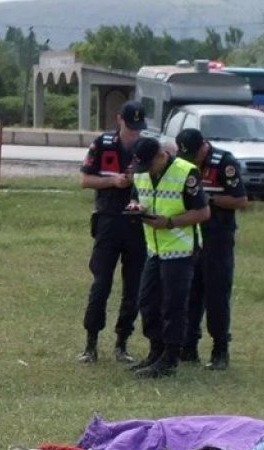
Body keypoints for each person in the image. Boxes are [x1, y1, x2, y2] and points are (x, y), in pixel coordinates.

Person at [125, 137, 211, 378]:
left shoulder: (186, 172)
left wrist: (170, 223)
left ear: (161, 156)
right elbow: (136, 195)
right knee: (147, 301)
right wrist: (134, 207)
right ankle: (156, 351)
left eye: (149, 165)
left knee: (173, 305)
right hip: (154, 248)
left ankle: (170, 358)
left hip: (181, 250)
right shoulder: (142, 171)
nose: (145, 171)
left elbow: (203, 212)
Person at [76, 101, 150, 364]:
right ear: (119, 119)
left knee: (134, 287)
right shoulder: (103, 144)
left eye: (139, 129)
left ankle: (122, 342)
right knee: (101, 283)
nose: (134, 134)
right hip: (109, 221)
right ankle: (91, 343)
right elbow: (85, 179)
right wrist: (113, 181)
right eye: (131, 128)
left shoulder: (147, 148)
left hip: (138, 225)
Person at [175, 128, 249, 370]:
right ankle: (188, 346)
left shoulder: (224, 163)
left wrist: (208, 201)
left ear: (204, 147)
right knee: (190, 292)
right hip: (190, 236)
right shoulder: (182, 163)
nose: (192, 161)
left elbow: (240, 199)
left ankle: (220, 349)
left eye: (194, 155)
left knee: (216, 293)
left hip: (217, 236)